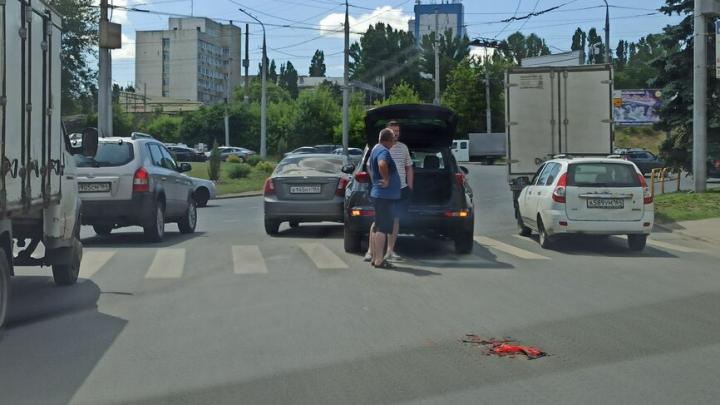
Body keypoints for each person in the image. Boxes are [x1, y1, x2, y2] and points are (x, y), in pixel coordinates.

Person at [363, 121, 413, 262]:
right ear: (387, 135)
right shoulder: (382, 150)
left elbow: (409, 167)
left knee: (390, 220)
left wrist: (409, 185)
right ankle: (375, 255)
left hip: (398, 190)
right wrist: (383, 180)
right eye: (393, 131)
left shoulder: (402, 147)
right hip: (385, 193)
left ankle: (388, 252)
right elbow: (378, 165)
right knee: (381, 225)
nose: (395, 134)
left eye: (397, 131)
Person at [368, 128, 401, 269]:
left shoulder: (375, 149)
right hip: (385, 196)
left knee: (377, 226)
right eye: (393, 140)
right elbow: (382, 164)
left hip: (379, 194)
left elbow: (373, 166)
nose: (394, 142)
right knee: (383, 227)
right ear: (388, 140)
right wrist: (386, 179)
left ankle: (375, 257)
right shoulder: (384, 151)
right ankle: (379, 260)